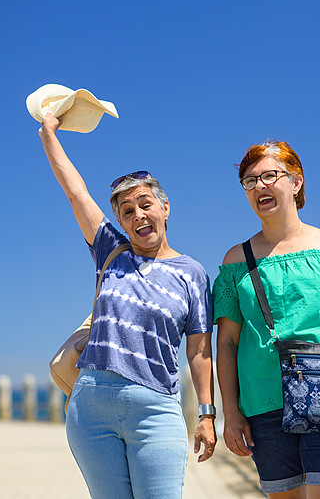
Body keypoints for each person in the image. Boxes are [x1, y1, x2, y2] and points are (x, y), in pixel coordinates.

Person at [38, 112, 216, 499]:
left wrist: (206, 413)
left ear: (165, 208)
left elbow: (200, 349)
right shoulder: (110, 252)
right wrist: (49, 133)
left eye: (145, 204)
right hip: (91, 407)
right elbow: (76, 192)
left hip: (157, 409)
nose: (138, 215)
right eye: (127, 211)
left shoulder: (192, 273)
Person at [214, 140, 320, 499]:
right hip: (263, 405)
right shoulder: (235, 261)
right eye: (249, 180)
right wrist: (230, 412)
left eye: (270, 175)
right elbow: (227, 342)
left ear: (296, 182)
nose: (260, 186)